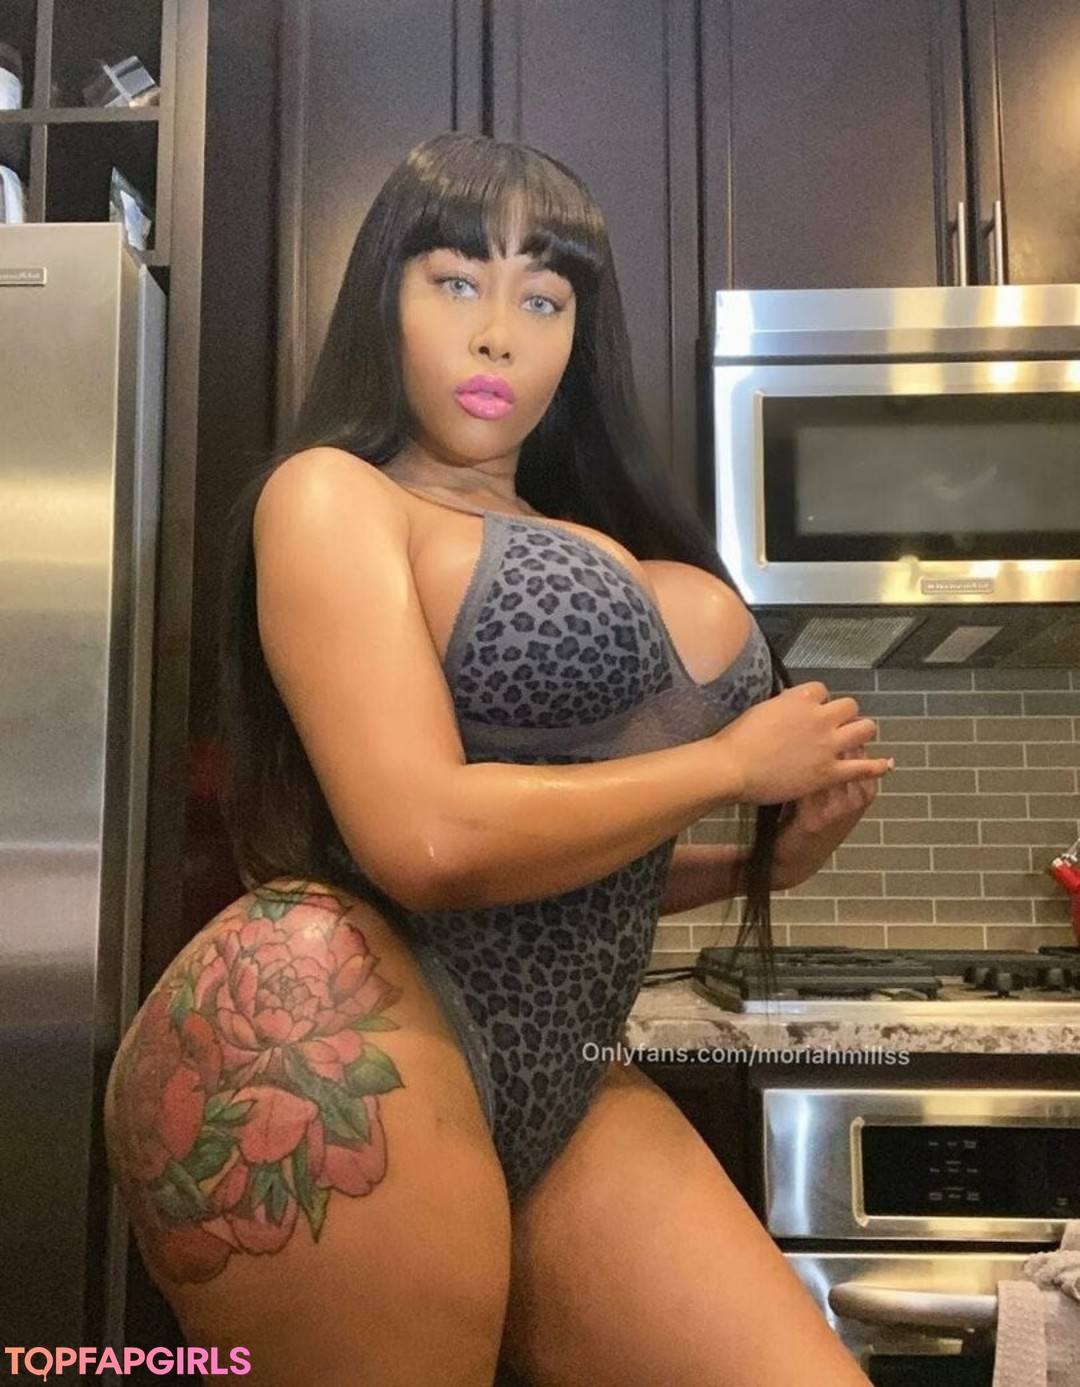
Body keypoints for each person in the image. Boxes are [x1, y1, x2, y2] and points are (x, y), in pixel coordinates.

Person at [105, 132, 891, 1386]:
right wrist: (729, 770)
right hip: (334, 1048)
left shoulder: (579, 524)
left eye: (544, 299)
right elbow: (423, 837)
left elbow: (559, 866)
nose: (496, 336)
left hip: (563, 1080)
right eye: (457, 282)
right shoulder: (333, 495)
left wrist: (760, 864)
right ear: (386, 299)